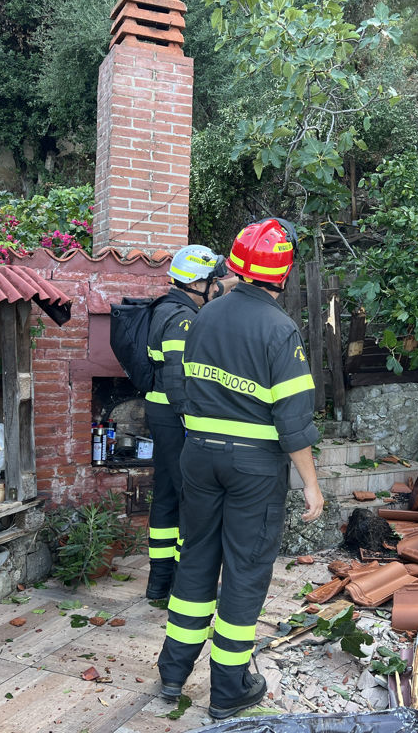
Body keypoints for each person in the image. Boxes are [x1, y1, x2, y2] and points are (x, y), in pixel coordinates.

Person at [157, 218, 325, 720]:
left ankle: (172, 672)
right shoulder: (280, 329)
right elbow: (293, 418)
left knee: (197, 558)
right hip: (252, 466)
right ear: (283, 274)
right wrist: (311, 484)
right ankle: (230, 687)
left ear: (233, 264)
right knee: (246, 570)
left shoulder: (202, 315)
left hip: (199, 455)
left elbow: (180, 385)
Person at [144, 244, 234, 600]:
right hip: (175, 416)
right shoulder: (183, 319)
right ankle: (186, 585)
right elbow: (177, 378)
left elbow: (223, 286)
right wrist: (191, 419)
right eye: (212, 281)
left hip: (161, 413)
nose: (215, 288)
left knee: (166, 496)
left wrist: (238, 281)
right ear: (196, 282)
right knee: (191, 500)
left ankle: (158, 584)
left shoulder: (170, 306)